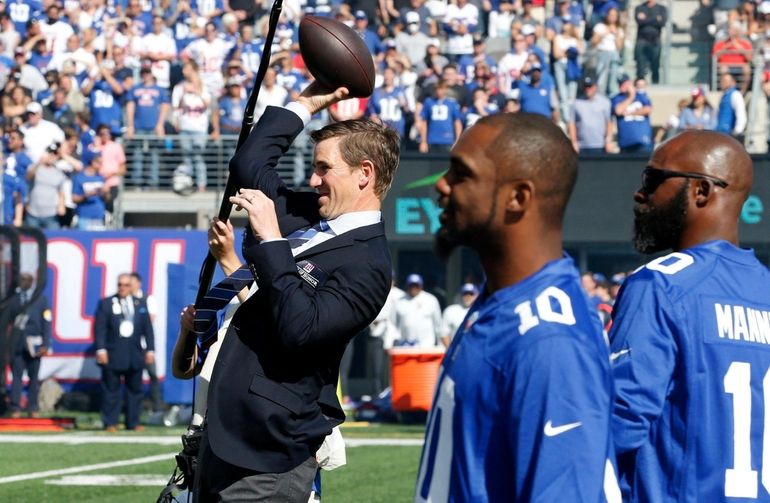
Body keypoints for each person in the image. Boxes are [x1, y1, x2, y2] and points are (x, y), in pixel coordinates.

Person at [183, 83, 400, 501]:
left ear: (364, 174)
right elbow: (248, 164)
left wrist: (271, 241)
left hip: (268, 453)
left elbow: (300, 329)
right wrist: (307, 104)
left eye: (323, 168)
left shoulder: (369, 264)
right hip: (224, 437)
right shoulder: (309, 214)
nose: (312, 179)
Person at [415, 112, 618, 501]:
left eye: (462, 173)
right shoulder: (502, 300)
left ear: (518, 197)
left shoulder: (550, 340)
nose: (443, 185)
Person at [608, 130, 770, 501]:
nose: (640, 193)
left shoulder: (660, 285)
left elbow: (617, 423)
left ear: (701, 191)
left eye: (653, 179)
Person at [94, 273, 155, 432]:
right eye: (120, 284)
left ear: (132, 286)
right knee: (111, 390)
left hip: (134, 353)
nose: (122, 288)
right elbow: (99, 329)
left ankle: (133, 422)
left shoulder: (140, 304)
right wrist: (101, 349)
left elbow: (147, 329)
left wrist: (150, 350)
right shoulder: (106, 303)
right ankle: (110, 422)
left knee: (135, 390)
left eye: (126, 285)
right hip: (113, 353)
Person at [2, 273, 50, 418]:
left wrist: (45, 343)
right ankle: (15, 407)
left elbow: (46, 322)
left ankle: (32, 407)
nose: (24, 282)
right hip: (17, 343)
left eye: (27, 280)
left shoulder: (40, 300)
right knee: (16, 376)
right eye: (22, 280)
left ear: (32, 282)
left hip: (35, 344)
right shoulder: (14, 300)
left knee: (34, 377)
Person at [394, 274, 442, 347]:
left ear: (421, 286)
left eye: (416, 285)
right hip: (405, 346)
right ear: (407, 286)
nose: (413, 288)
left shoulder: (431, 300)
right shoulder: (399, 301)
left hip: (426, 345)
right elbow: (393, 324)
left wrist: (440, 344)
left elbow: (438, 324)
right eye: (411, 285)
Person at [569, 76, 613, 153]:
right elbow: (572, 123)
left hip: (600, 145)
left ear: (595, 87)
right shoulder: (576, 103)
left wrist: (608, 140)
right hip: (582, 145)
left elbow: (609, 122)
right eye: (586, 87)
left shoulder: (605, 102)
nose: (587, 89)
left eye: (590, 87)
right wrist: (574, 142)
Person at [612, 75, 653, 153]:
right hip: (626, 142)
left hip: (643, 141)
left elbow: (648, 109)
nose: (621, 86)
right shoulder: (616, 98)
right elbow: (618, 111)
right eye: (620, 84)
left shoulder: (640, 96)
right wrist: (630, 97)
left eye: (624, 84)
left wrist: (630, 113)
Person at [634, 0, 667, 84]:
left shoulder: (661, 8)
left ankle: (655, 83)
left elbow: (662, 22)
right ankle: (640, 84)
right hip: (642, 40)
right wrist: (655, 18)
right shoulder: (639, 8)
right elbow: (639, 21)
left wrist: (646, 19)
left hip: (655, 40)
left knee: (655, 64)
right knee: (640, 64)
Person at [440, 283, 478, 347]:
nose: (468, 297)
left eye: (471, 294)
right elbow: (444, 333)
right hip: (456, 350)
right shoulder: (451, 310)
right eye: (465, 294)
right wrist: (451, 351)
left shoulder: (482, 310)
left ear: (477, 295)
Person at [716, 71, 747, 139]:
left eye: (726, 81)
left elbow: (741, 114)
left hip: (730, 135)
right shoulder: (723, 96)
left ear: (733, 82)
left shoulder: (735, 94)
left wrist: (737, 132)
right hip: (720, 134)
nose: (723, 83)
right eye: (722, 80)